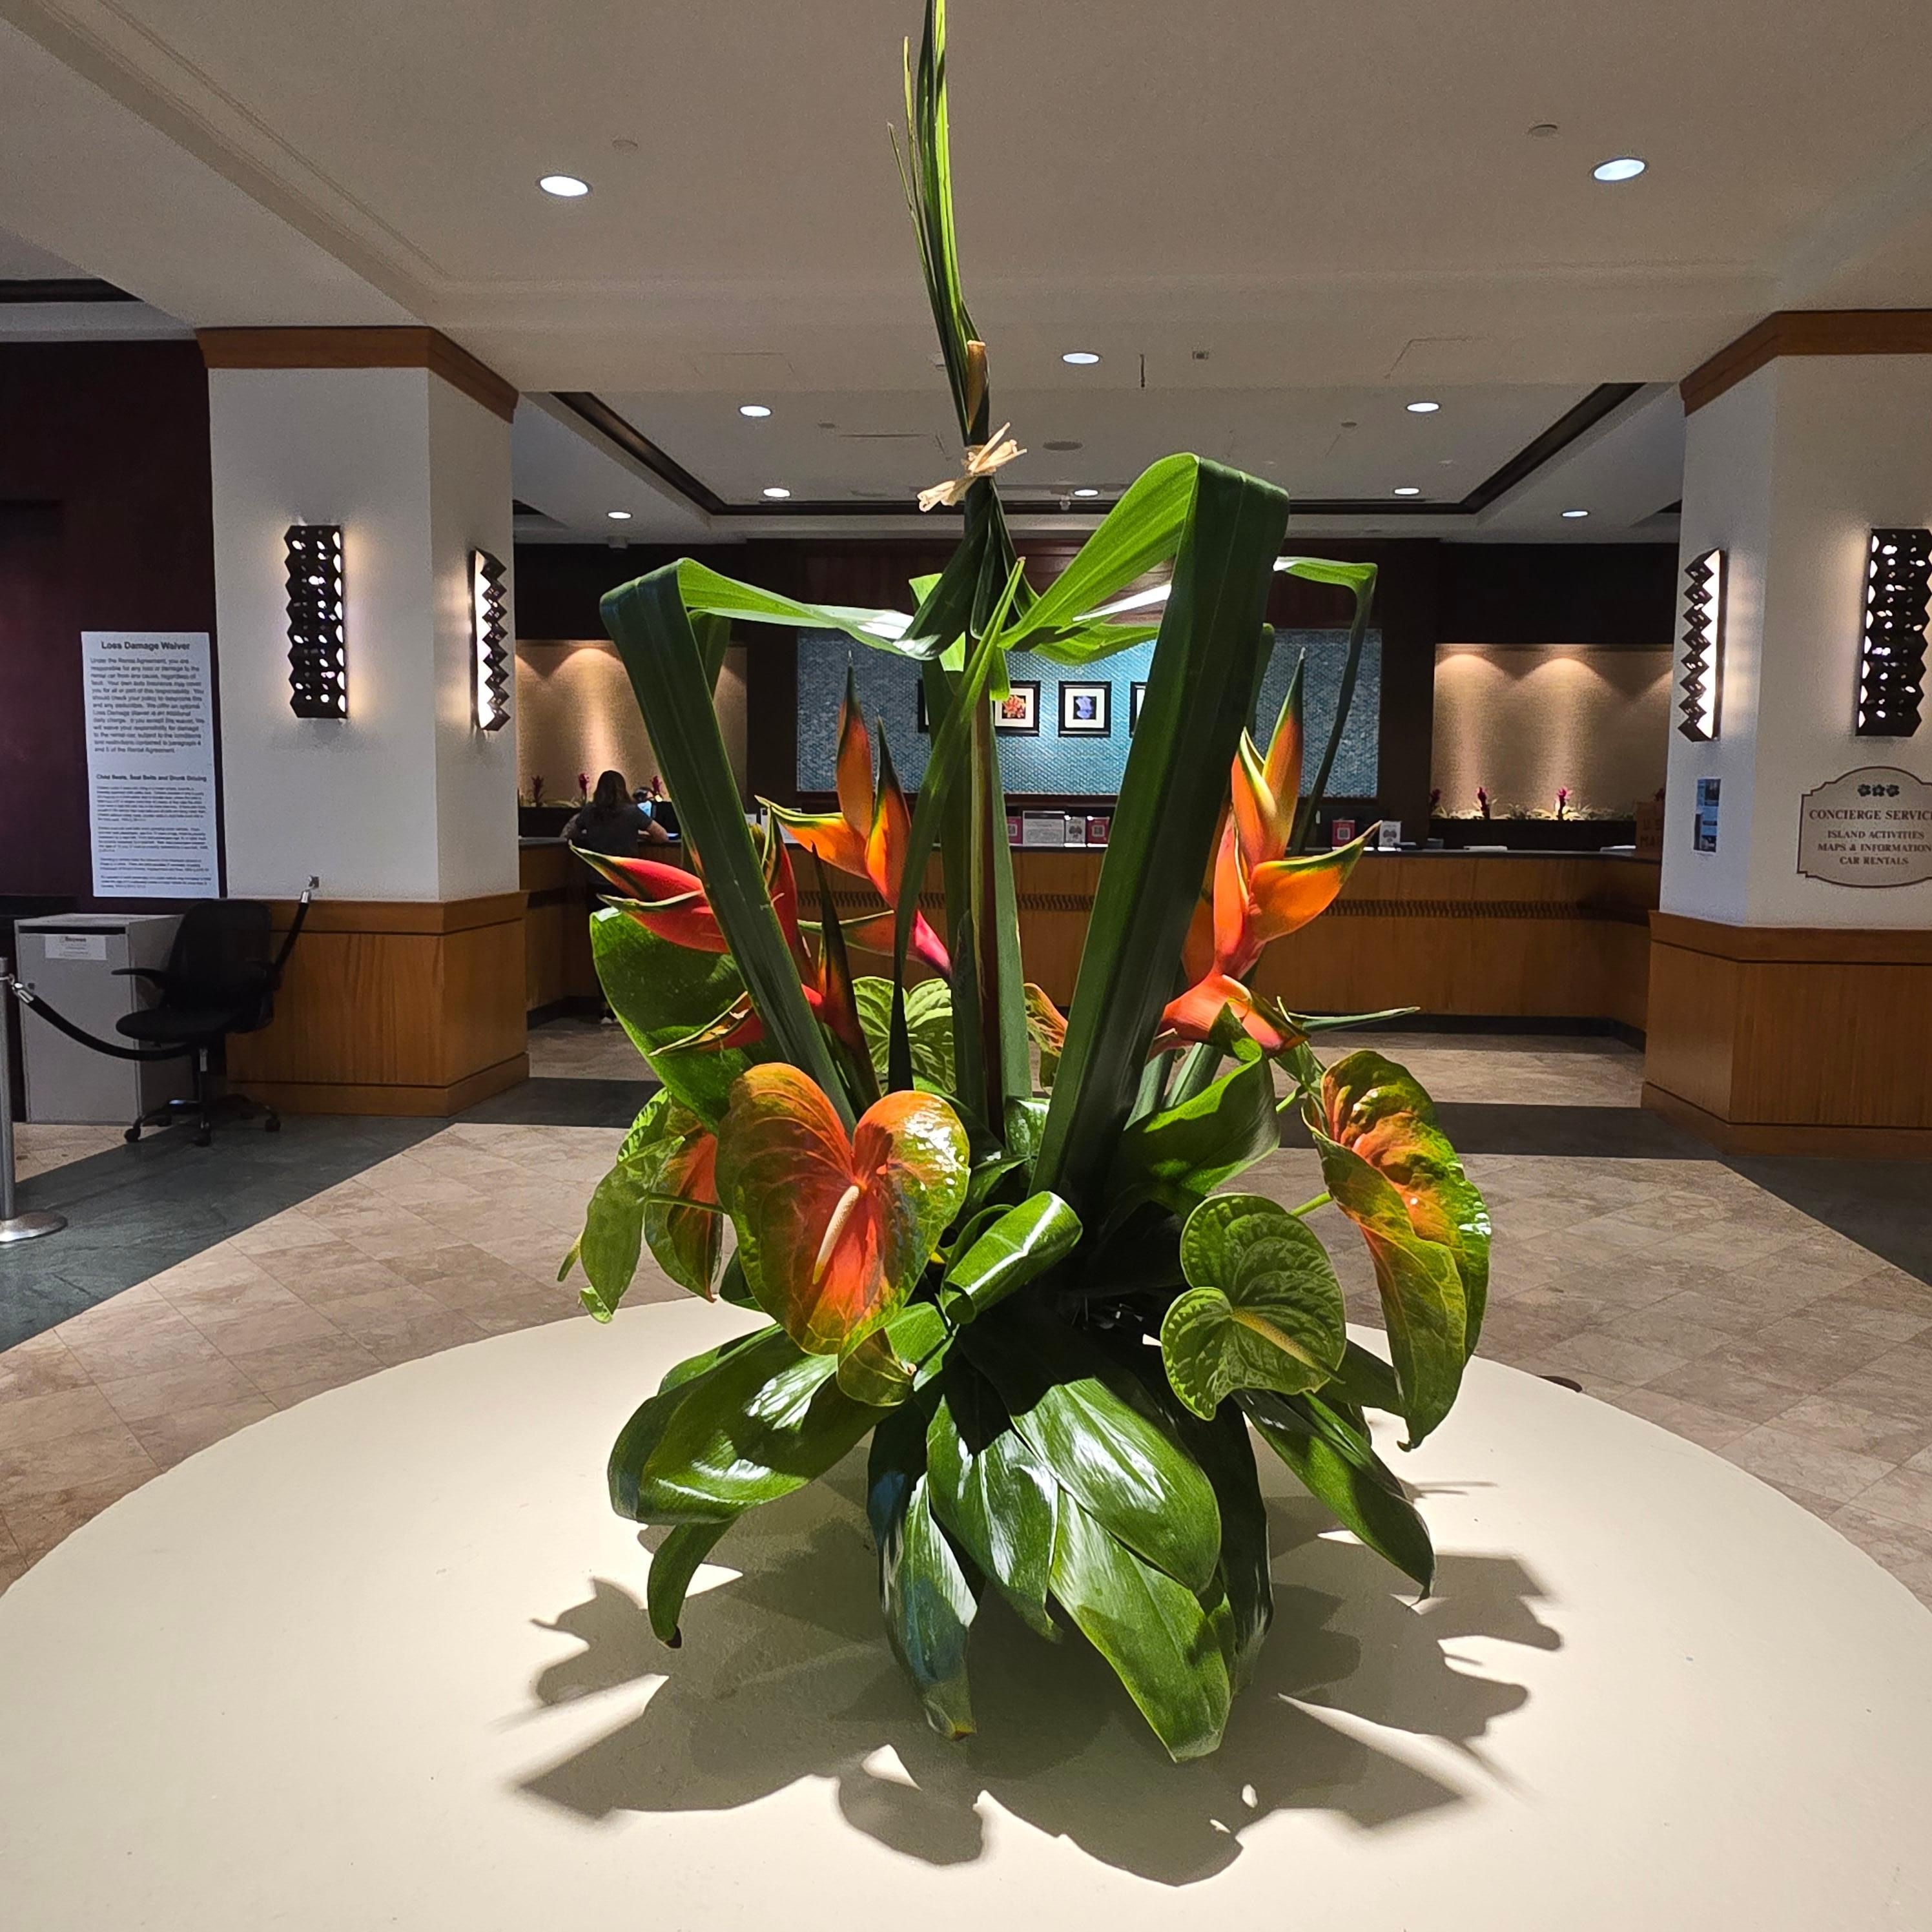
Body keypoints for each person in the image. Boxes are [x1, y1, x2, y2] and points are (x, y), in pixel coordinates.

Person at [560, 770, 670, 858]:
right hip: (626, 876)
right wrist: (644, 837)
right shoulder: (632, 812)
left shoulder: (589, 811)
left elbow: (567, 835)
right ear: (622, 789)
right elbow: (662, 836)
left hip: (597, 877)